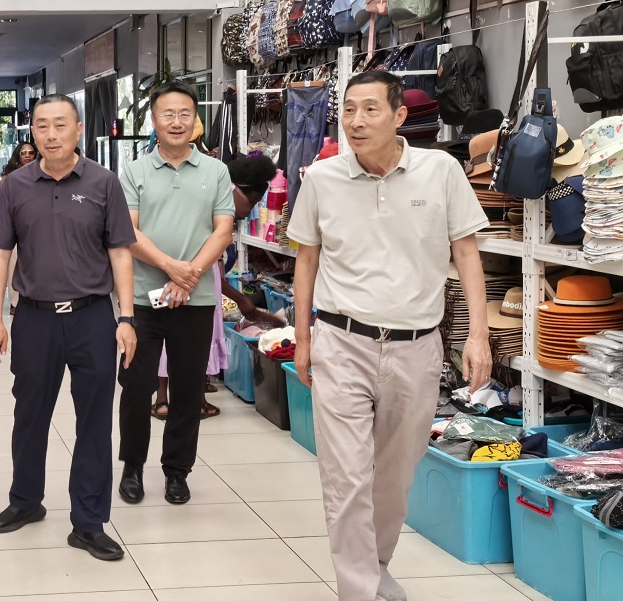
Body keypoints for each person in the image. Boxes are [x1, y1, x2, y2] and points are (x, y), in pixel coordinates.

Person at [286, 70, 492, 601]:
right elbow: (306, 259)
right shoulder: (322, 178)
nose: (356, 121)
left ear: (399, 116)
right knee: (347, 476)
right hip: (342, 340)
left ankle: (375, 565)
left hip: (417, 345)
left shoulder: (441, 170)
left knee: (395, 475)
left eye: (370, 109)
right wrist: (303, 337)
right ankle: (358, 589)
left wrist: (479, 336)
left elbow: (467, 251)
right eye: (349, 109)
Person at [0, 94, 138, 561]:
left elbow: (120, 253)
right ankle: (26, 500)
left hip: (92, 317)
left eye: (60, 125)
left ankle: (88, 523)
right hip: (34, 318)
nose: (50, 134)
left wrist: (126, 317)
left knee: (94, 420)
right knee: (29, 414)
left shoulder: (103, 182)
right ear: (32, 131)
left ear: (78, 129)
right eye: (41, 125)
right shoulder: (15, 185)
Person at [115, 81, 235, 506]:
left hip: (195, 300)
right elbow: (128, 232)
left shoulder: (216, 171)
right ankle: (132, 466)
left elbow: (223, 230)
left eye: (185, 113)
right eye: (168, 114)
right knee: (136, 386)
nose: (177, 122)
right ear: (154, 120)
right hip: (143, 300)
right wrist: (172, 268)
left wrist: (189, 277)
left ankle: (177, 471)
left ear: (195, 119)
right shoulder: (134, 172)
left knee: (187, 389)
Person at [151, 153, 283, 421]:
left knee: (170, 334)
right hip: (196, 281)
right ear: (235, 190)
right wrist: (241, 299)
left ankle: (163, 400)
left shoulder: (203, 203)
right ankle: (195, 401)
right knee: (198, 339)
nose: (249, 211)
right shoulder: (217, 215)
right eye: (251, 202)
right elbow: (209, 268)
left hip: (174, 273)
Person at [0, 141, 38, 315]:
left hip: (37, 226)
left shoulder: (43, 173)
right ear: (18, 156)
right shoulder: (9, 178)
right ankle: (15, 302)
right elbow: (2, 204)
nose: (27, 155)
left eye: (31, 152)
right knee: (13, 264)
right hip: (15, 226)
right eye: (23, 153)